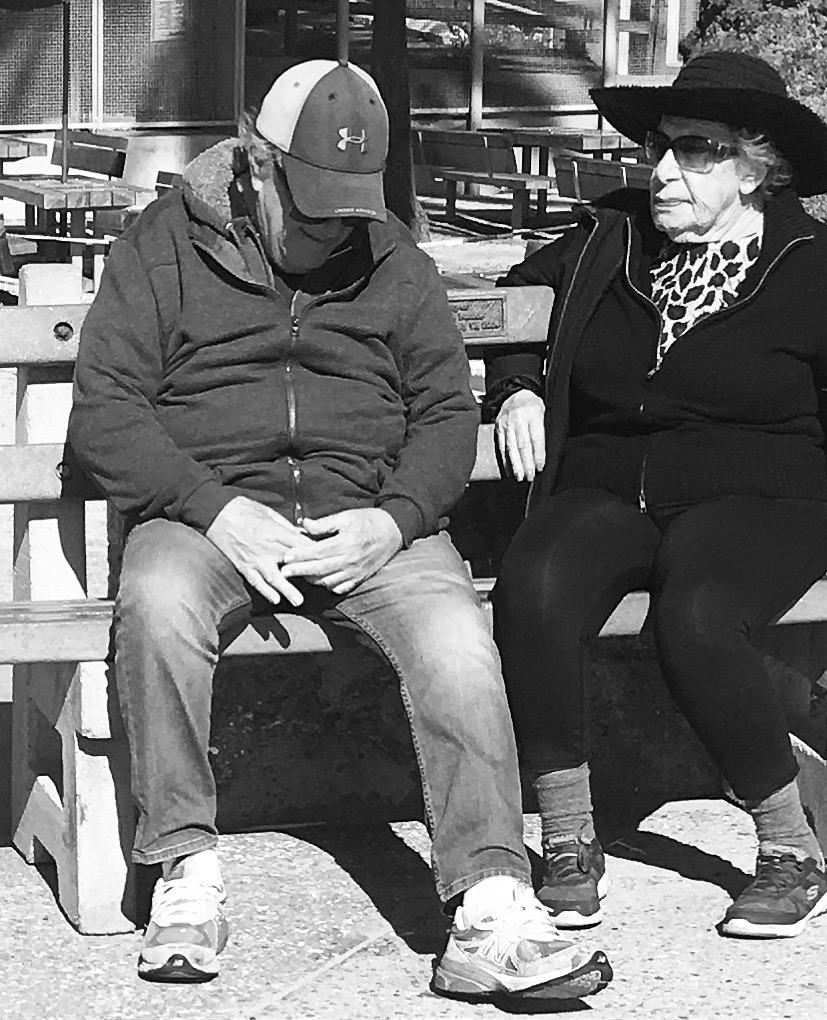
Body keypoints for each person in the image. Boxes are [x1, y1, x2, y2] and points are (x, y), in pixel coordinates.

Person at [67, 59, 612, 1001]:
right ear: (257, 162)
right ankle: (185, 868)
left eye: (351, 207)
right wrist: (214, 508)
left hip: (367, 516)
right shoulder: (161, 247)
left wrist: (394, 521)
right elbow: (106, 409)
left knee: (457, 637)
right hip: (211, 511)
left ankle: (489, 903)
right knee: (156, 602)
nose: (334, 231)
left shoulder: (392, 257)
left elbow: (446, 414)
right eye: (313, 207)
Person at [485, 50, 827, 939]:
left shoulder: (806, 265)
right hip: (610, 487)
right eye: (659, 147)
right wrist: (518, 387)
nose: (663, 171)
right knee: (533, 585)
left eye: (694, 151)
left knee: (698, 612)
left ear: (755, 169)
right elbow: (518, 294)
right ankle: (568, 838)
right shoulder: (612, 238)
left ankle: (790, 850)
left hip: (763, 498)